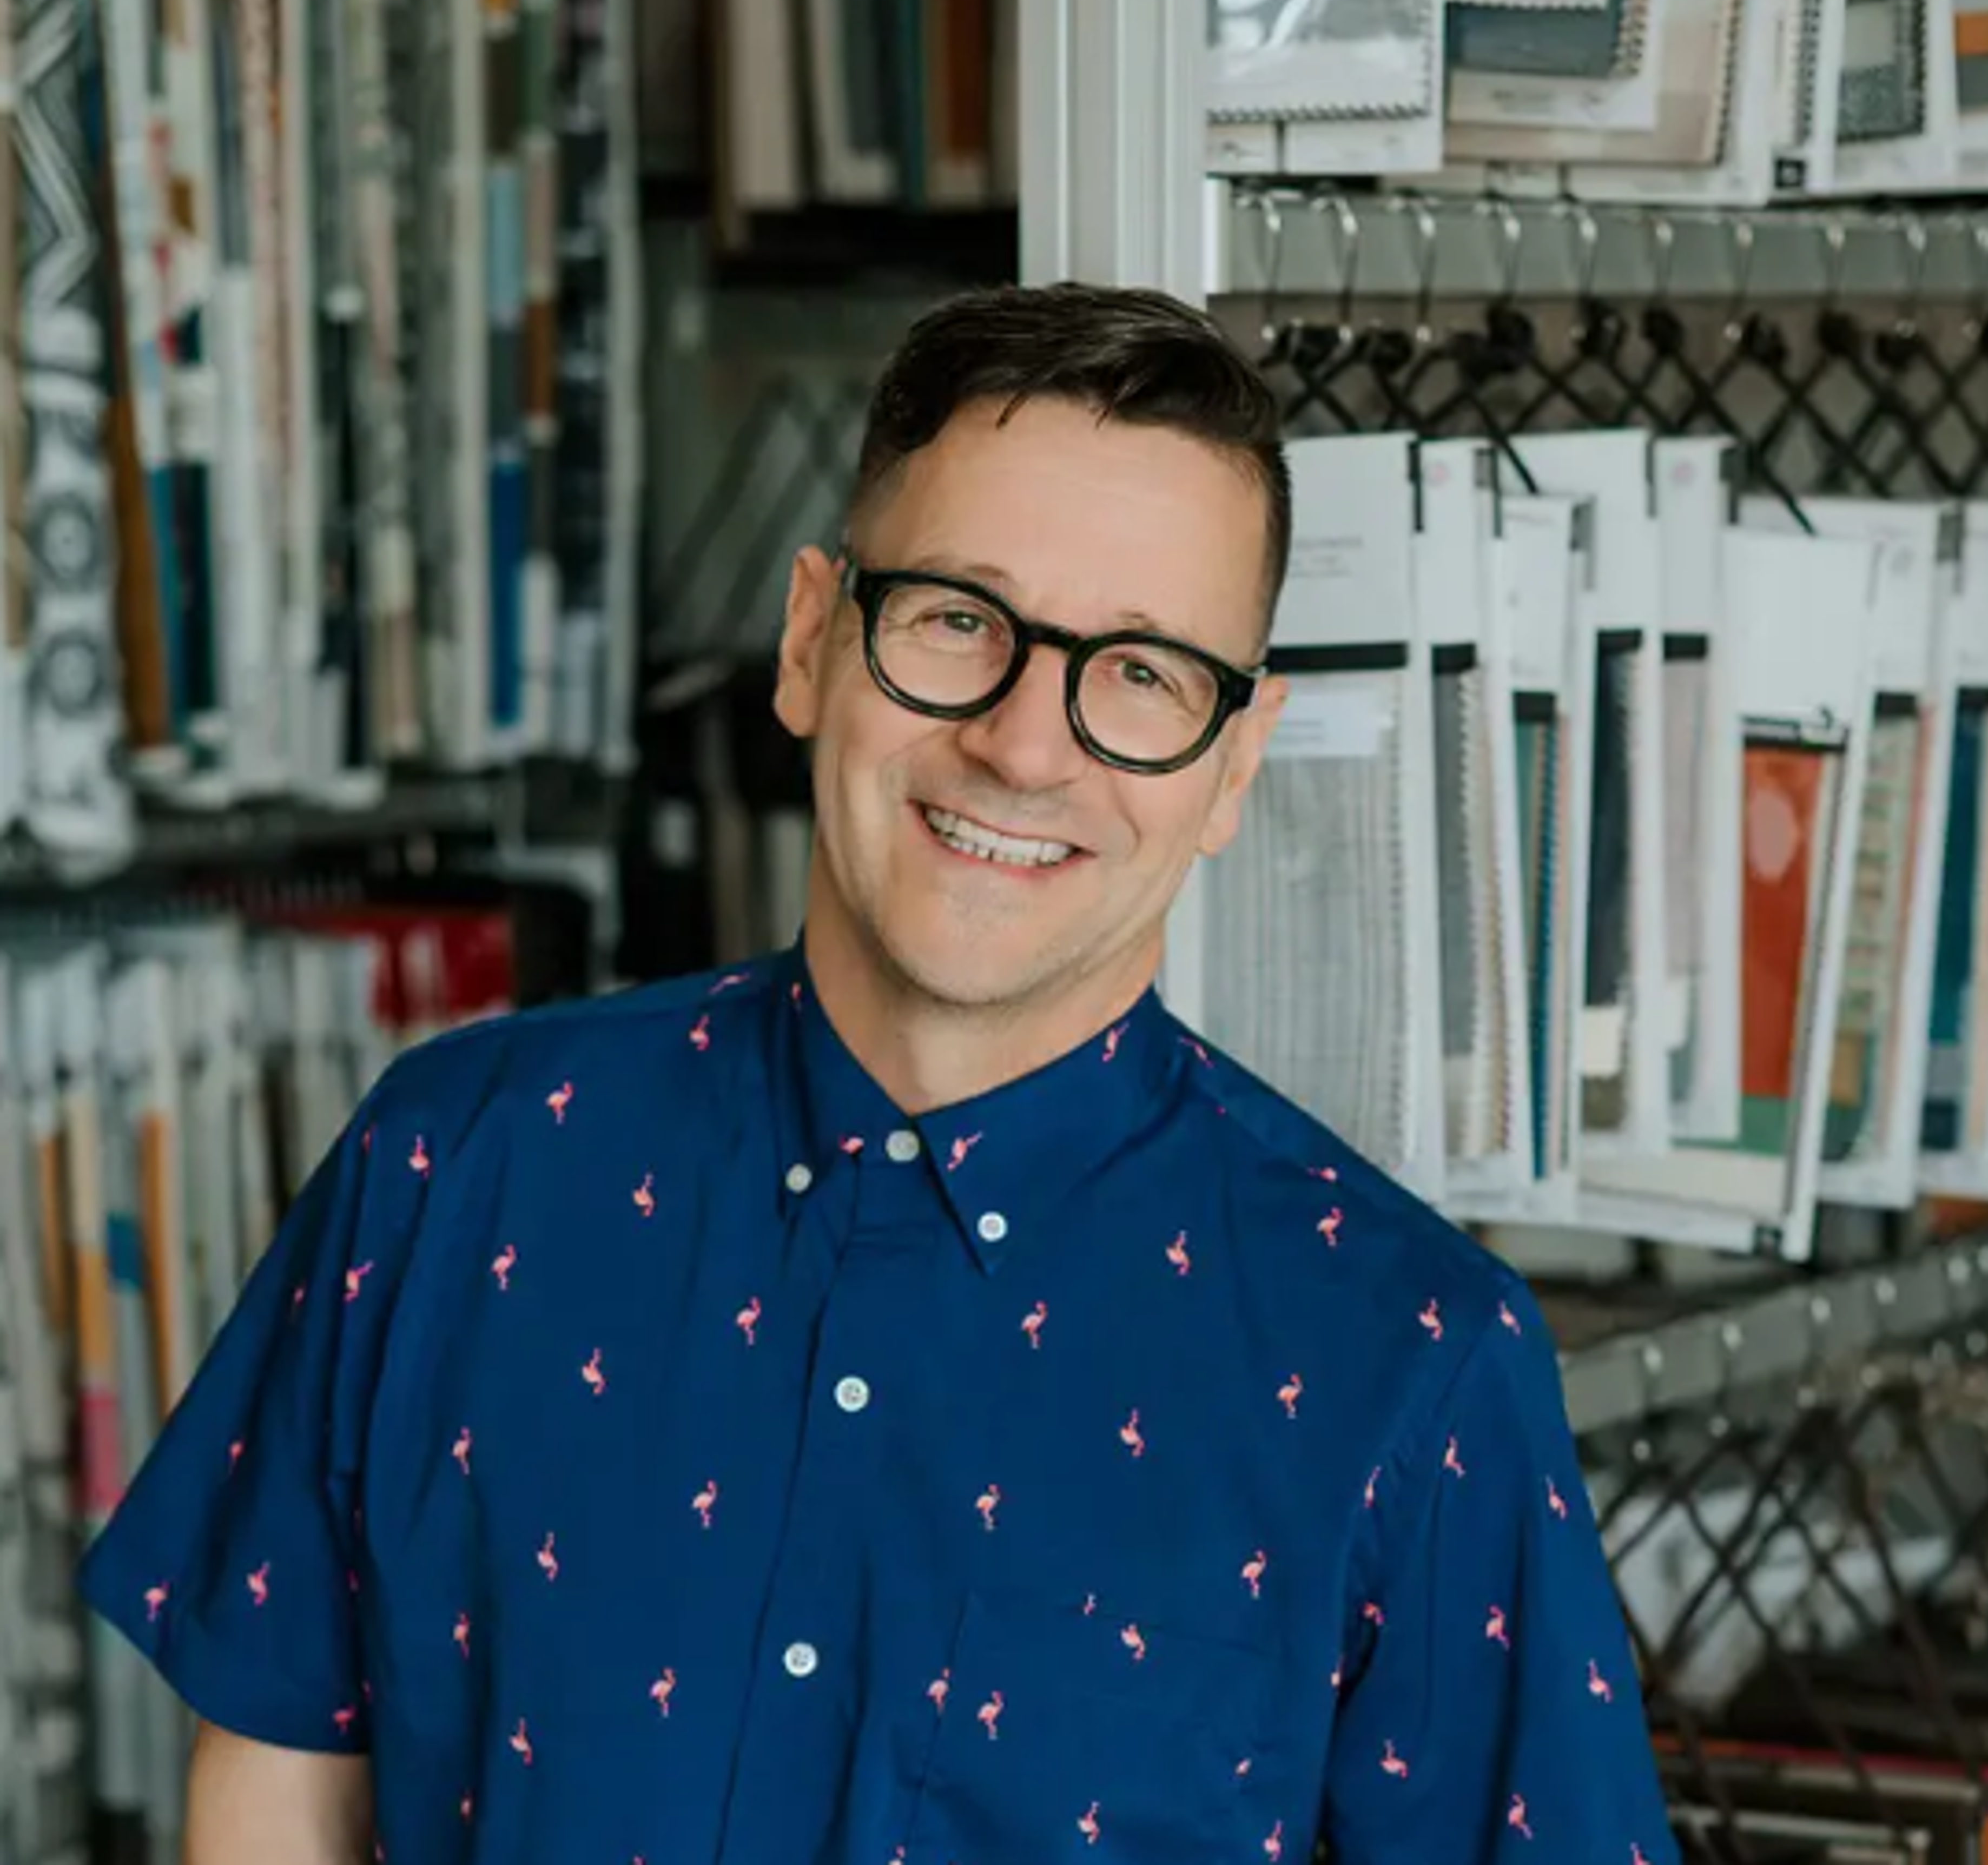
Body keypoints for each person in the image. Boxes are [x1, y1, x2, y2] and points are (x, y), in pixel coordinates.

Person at [81, 282, 1679, 1864]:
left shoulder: (1411, 1361)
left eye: (1141, 673)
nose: (1026, 744)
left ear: (1229, 769)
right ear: (808, 642)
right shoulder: (451, 1169)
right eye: (957, 620)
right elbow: (280, 1791)